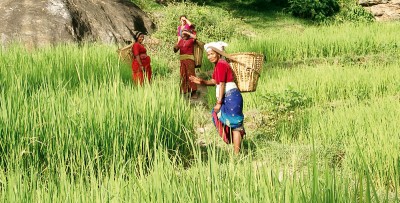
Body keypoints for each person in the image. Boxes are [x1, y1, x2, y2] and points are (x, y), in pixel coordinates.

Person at [189, 41, 245, 154]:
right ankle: (237, 150)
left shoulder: (221, 64)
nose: (209, 57)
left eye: (212, 54)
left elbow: (222, 84)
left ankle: (237, 154)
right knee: (232, 124)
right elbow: (215, 81)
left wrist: (219, 102)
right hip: (229, 97)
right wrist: (202, 81)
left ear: (218, 53)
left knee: (235, 125)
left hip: (231, 97)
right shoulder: (218, 65)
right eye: (208, 54)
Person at [173, 29, 198, 98]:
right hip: (182, 61)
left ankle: (194, 92)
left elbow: (195, 37)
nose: (183, 35)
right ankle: (185, 91)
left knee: (191, 75)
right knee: (183, 75)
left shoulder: (191, 40)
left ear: (187, 34)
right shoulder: (181, 41)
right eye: (182, 34)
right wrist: (175, 47)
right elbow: (176, 50)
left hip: (189, 60)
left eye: (184, 34)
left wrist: (188, 32)